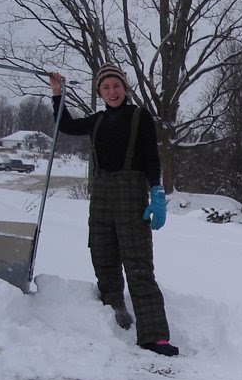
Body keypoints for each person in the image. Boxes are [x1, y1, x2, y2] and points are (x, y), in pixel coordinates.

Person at [49, 65, 178, 357]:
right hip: (102, 198)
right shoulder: (97, 121)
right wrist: (58, 95)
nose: (112, 92)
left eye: (116, 86)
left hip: (131, 196)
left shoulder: (140, 117)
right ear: (99, 93)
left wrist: (156, 192)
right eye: (105, 88)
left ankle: (154, 336)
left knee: (138, 264)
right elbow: (65, 126)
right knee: (103, 258)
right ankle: (114, 318)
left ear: (125, 87)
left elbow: (151, 157)